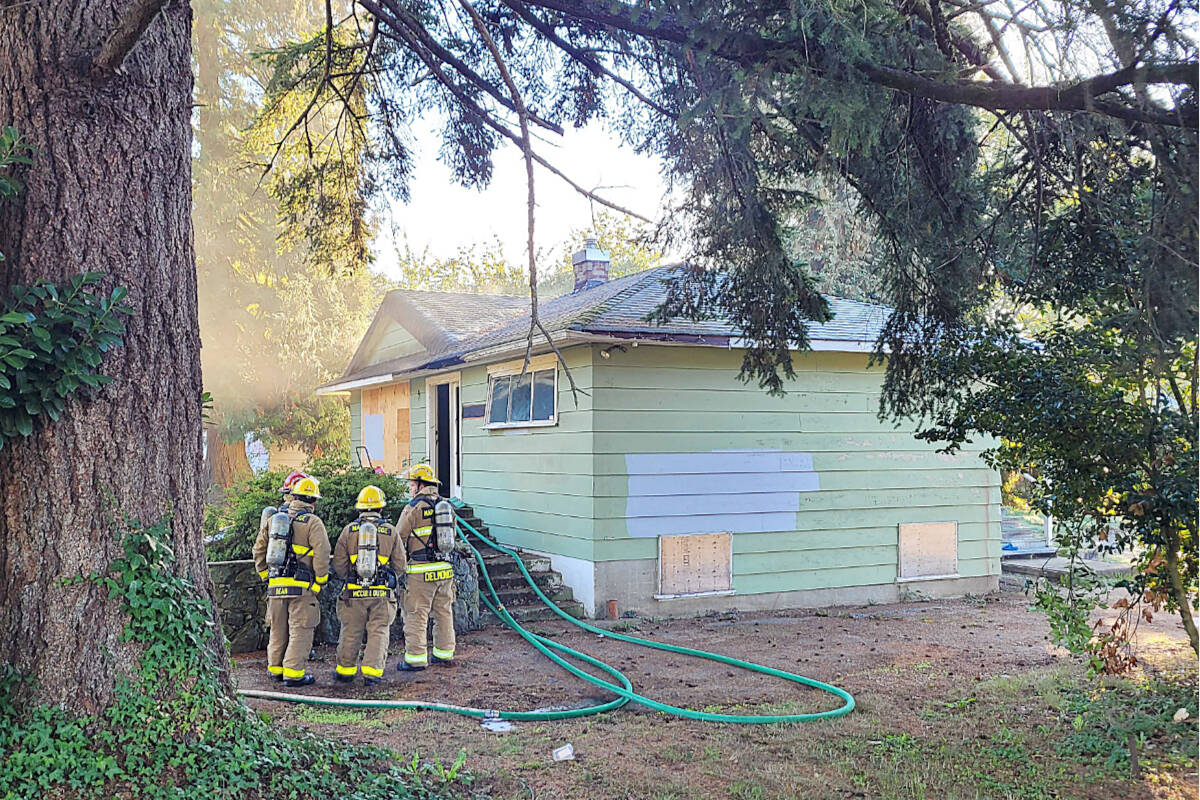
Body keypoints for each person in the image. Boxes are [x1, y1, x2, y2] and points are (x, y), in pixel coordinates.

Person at [252, 475, 330, 687]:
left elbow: (259, 549)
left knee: (278, 629)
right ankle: (294, 674)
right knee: (300, 630)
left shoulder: (274, 519)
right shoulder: (313, 523)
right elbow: (322, 554)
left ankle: (275, 669)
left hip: (276, 586)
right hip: (302, 588)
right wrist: (319, 583)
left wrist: (266, 576)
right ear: (312, 501)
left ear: (294, 496)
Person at [331, 485, 403, 685]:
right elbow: (400, 565)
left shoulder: (349, 531)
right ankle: (372, 674)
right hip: (381, 593)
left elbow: (339, 564)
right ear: (381, 508)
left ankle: (345, 671)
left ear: (360, 508)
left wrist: (351, 578)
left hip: (353, 592)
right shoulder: (390, 531)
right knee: (379, 630)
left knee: (350, 630)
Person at [395, 463, 456, 671]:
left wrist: (398, 566)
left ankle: (416, 659)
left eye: (412, 484)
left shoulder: (413, 508)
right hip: (445, 570)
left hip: (421, 571)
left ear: (421, 485)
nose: (411, 488)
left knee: (416, 614)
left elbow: (398, 538)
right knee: (444, 612)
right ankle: (444, 653)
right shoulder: (446, 507)